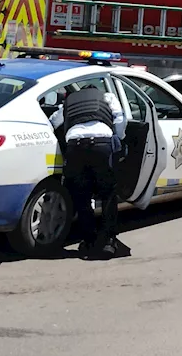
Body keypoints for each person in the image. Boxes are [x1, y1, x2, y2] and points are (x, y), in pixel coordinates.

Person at [50, 85, 128, 259]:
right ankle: (108, 241)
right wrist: (119, 137)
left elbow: (53, 122)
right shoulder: (107, 97)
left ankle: (88, 240)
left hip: (75, 146)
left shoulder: (69, 101)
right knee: (108, 193)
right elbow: (120, 117)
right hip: (101, 144)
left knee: (81, 195)